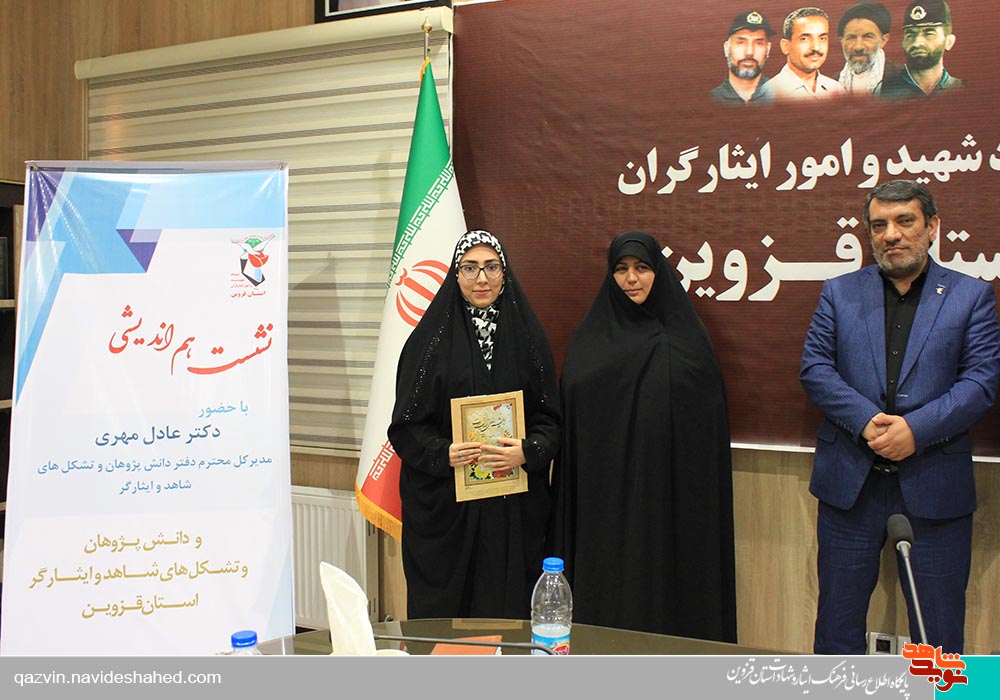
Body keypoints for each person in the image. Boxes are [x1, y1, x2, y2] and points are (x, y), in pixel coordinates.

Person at [800, 180, 1000, 654]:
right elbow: (815, 369)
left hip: (934, 484)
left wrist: (915, 430)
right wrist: (868, 421)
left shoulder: (971, 296)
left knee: (938, 636)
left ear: (932, 227)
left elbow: (981, 381)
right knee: (836, 629)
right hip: (851, 486)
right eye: (879, 225)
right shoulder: (839, 293)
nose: (890, 234)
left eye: (904, 221)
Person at [550, 230, 737, 642]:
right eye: (621, 269)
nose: (631, 279)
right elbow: (575, 410)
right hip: (604, 501)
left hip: (669, 497)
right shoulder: (590, 338)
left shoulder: (687, 342)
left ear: (659, 272)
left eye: (641, 268)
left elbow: (705, 422)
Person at [388, 229, 561, 620]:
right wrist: (442, 453)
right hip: (450, 510)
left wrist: (528, 451)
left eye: (491, 267)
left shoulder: (529, 339)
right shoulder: (428, 343)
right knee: (451, 619)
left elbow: (550, 420)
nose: (481, 278)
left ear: (504, 273)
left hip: (512, 512)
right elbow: (405, 427)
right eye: (470, 268)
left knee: (508, 613)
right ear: (456, 274)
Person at [758, 7, 845, 102]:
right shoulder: (768, 95)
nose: (816, 47)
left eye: (822, 38)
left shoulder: (837, 89)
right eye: (805, 39)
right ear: (785, 46)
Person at [881, 0, 963, 98]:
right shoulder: (883, 92)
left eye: (928, 34)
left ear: (949, 42)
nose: (917, 42)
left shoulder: (964, 90)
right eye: (910, 35)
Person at [710, 9, 775, 105]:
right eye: (741, 43)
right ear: (726, 48)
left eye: (758, 43)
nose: (749, 52)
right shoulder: (710, 100)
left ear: (768, 49)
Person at [836, 2, 901, 95]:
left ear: (883, 40)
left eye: (867, 37)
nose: (858, 47)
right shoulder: (832, 84)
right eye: (851, 37)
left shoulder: (902, 79)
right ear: (842, 41)